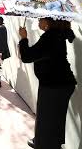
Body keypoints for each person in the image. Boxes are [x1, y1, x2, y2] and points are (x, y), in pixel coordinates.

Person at [18, 17, 77, 149]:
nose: (38, 22)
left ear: (49, 21)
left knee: (46, 119)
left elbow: (27, 56)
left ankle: (45, 144)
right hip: (60, 84)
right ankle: (46, 142)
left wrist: (23, 38)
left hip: (54, 85)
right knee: (54, 117)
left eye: (40, 19)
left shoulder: (50, 36)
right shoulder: (56, 34)